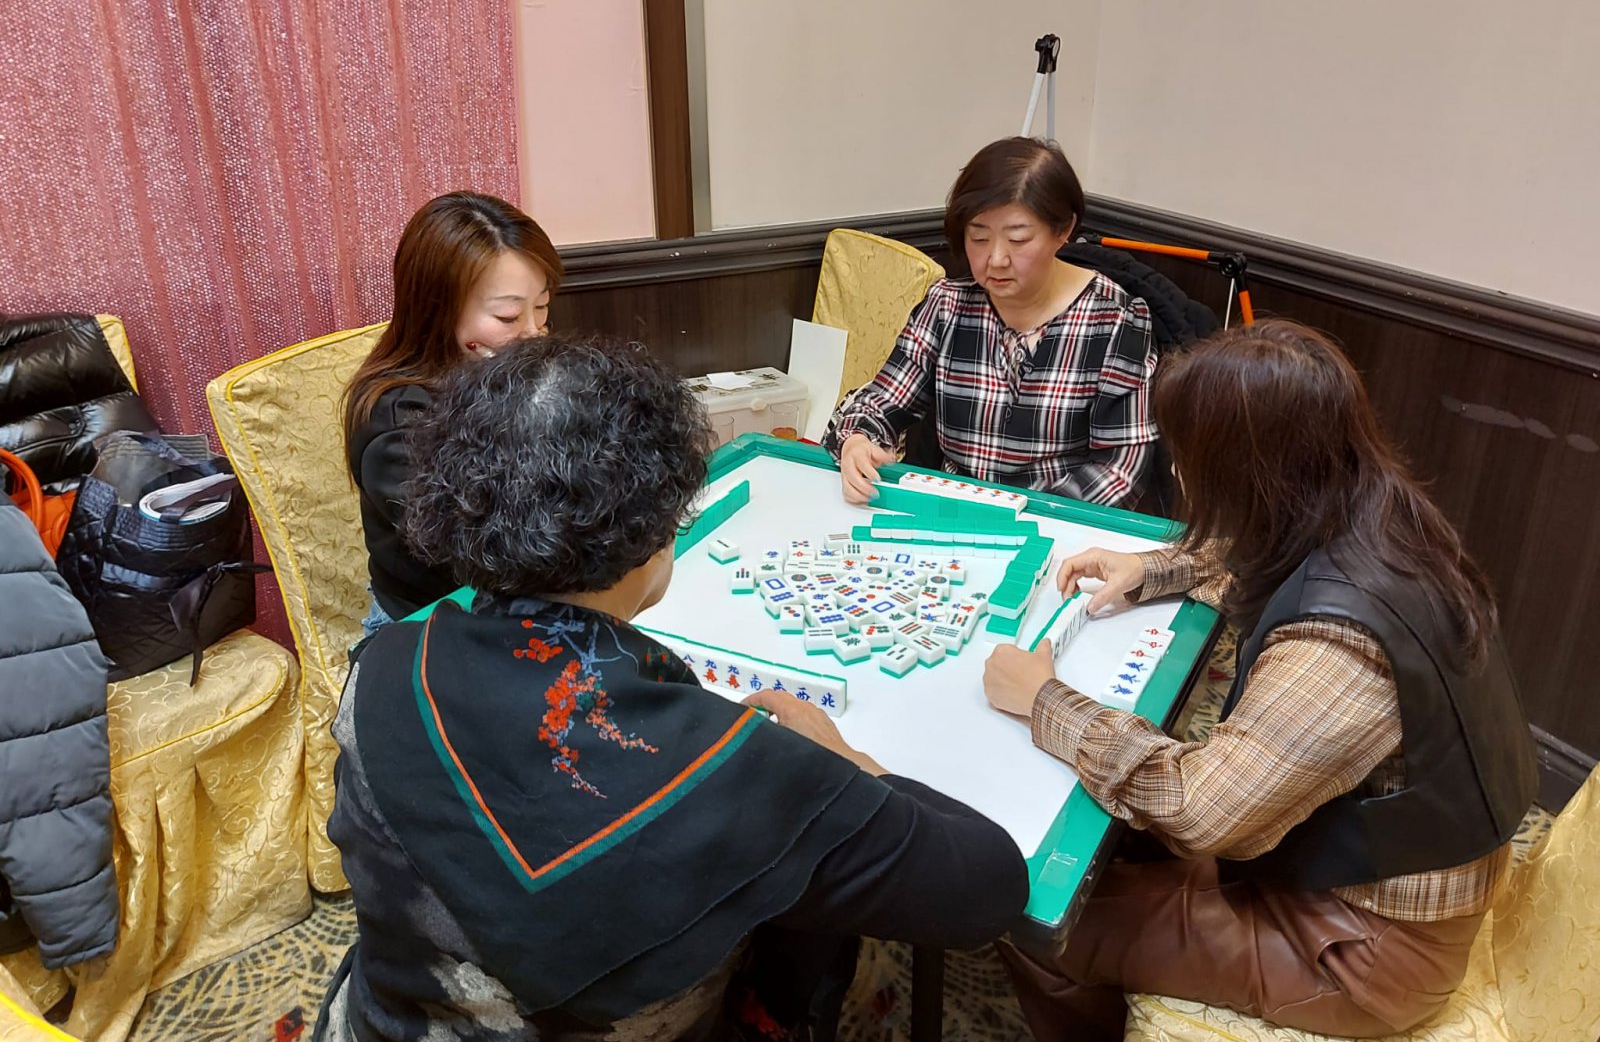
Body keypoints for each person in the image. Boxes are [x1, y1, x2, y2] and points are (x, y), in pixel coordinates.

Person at [317, 335, 1030, 1042]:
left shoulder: (382, 661)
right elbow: (990, 886)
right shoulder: (728, 769)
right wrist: (848, 763)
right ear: (655, 529)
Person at [980, 319, 1536, 1040]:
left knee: (1029, 914)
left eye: (1186, 456)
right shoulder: (1383, 510)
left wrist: (1045, 701)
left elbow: (1205, 813)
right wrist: (1153, 568)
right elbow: (1269, 554)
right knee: (1115, 834)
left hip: (1361, 952)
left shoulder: (1338, 645)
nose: (1178, 475)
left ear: (1246, 469)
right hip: (1349, 871)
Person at [823, 137, 1157, 507]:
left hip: (1057, 522)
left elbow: (1121, 469)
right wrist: (857, 441)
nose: (996, 259)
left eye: (1018, 239)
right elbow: (880, 401)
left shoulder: (1114, 321)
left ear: (1063, 230)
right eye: (979, 237)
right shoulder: (947, 305)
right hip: (951, 511)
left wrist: (1029, 514)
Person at [343, 190, 563, 627]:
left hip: (517, 599)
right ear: (438, 310)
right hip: (432, 622)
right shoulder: (397, 425)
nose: (534, 332)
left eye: (541, 307)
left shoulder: (506, 369)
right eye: (508, 317)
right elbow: (494, 548)